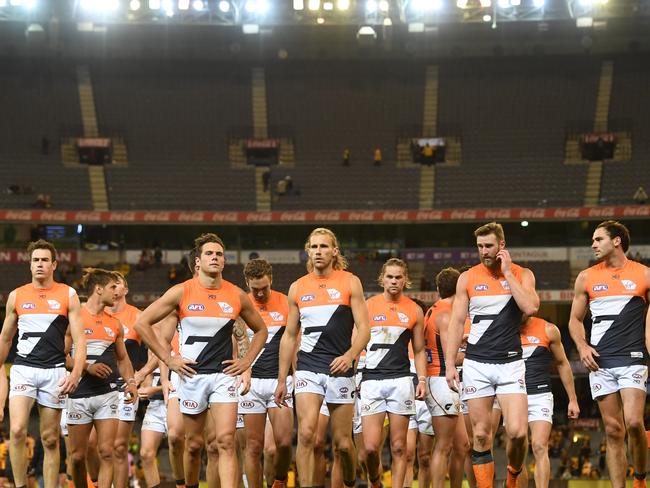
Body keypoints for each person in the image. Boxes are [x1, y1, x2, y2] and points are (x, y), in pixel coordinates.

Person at [134, 233, 268, 488]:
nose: (215, 258)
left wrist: (246, 361)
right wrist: (169, 359)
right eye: (209, 253)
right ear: (197, 262)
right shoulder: (181, 292)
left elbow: (260, 330)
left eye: (219, 254)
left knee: (226, 440)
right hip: (191, 377)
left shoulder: (237, 295)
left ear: (224, 261)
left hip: (223, 377)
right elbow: (142, 323)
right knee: (193, 445)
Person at [445, 222, 539, 488]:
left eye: (488, 246)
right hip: (476, 364)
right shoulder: (467, 278)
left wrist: (508, 273)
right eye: (479, 246)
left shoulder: (523, 274)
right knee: (481, 436)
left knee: (518, 433)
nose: (483, 251)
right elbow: (456, 322)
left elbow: (531, 307)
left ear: (501, 246)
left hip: (510, 363)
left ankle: (512, 476)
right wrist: (450, 364)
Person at [274, 227, 370, 488]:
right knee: (306, 434)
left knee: (342, 444)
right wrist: (283, 379)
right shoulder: (297, 288)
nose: (318, 251)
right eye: (314, 247)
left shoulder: (351, 282)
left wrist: (350, 356)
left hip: (340, 368)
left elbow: (364, 330)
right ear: (308, 251)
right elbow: (289, 336)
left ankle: (349, 482)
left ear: (334, 251)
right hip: (307, 367)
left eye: (324, 247)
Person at [568, 220, 650, 488]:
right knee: (614, 431)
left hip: (633, 357)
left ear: (617, 241)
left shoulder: (644, 274)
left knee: (635, 422)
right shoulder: (586, 277)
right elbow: (575, 320)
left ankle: (639, 478)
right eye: (593, 240)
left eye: (598, 239)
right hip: (599, 362)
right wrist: (582, 347)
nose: (593, 244)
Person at [0, 239, 86, 488]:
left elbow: (80, 341)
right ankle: (20, 486)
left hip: (54, 373)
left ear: (54, 264)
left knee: (50, 439)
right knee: (16, 430)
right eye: (35, 260)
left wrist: (76, 374)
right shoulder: (16, 296)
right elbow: (5, 339)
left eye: (44, 260)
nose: (39, 264)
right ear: (30, 265)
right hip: (23, 370)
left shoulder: (67, 294)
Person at [65, 268, 138, 488]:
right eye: (112, 287)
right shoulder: (74, 318)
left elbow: (123, 359)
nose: (117, 291)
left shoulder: (114, 323)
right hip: (78, 393)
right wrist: (87, 367)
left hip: (107, 394)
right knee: (78, 456)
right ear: (98, 289)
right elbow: (62, 357)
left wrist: (132, 382)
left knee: (108, 451)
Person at [361, 258, 427, 488]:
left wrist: (422, 379)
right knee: (369, 449)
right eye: (390, 276)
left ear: (405, 280)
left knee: (400, 447)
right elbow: (355, 344)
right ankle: (376, 481)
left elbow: (419, 350)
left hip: (401, 381)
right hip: (371, 380)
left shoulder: (415, 310)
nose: (394, 281)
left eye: (398, 277)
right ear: (382, 279)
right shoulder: (367, 306)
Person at [239, 259, 293, 488]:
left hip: (279, 380)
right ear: (247, 283)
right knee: (252, 447)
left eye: (264, 288)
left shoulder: (287, 303)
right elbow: (238, 341)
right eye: (254, 289)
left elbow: (294, 343)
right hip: (250, 383)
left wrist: (294, 378)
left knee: (283, 444)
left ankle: (280, 480)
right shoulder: (240, 305)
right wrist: (242, 372)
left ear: (271, 279)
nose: (260, 293)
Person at [516, 316, 579, 488]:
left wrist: (572, 399)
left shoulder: (548, 330)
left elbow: (562, 363)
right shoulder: (503, 328)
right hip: (513, 396)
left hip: (540, 394)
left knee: (539, 446)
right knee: (516, 452)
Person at [424, 268, 470, 488]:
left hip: (443, 382)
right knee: (443, 446)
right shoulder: (446, 315)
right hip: (442, 381)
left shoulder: (436, 309)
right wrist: (476, 350)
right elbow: (453, 358)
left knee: (462, 445)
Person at [108, 273, 144, 488]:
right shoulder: (96, 314)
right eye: (109, 283)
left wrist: (141, 375)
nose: (113, 286)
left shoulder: (138, 316)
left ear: (126, 290)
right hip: (97, 387)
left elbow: (160, 349)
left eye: (117, 282)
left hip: (125, 389)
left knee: (120, 447)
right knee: (97, 447)